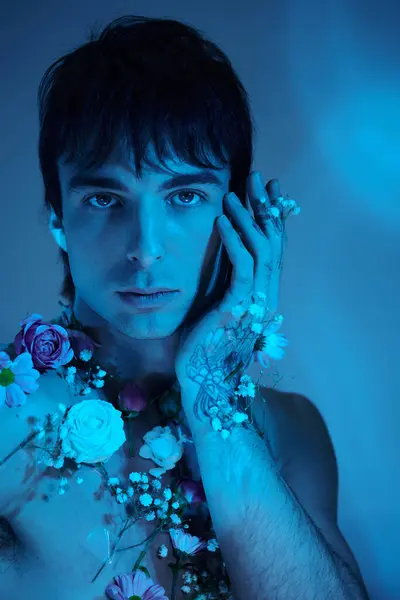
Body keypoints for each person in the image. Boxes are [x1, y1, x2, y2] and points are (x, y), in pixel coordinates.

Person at [0, 14, 369, 600]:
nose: (145, 249)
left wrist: (211, 396)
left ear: (240, 215)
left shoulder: (290, 428)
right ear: (57, 218)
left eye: (186, 195)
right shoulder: (10, 423)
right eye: (104, 198)